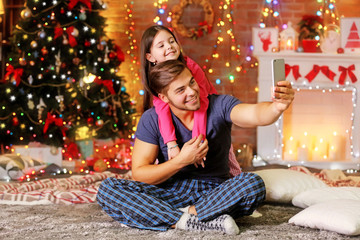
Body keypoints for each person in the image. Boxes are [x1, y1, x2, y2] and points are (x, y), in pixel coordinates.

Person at [97, 60, 295, 234]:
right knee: (108, 188)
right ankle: (194, 220)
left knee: (253, 184)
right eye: (180, 90)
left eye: (191, 82)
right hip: (169, 192)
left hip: (216, 193)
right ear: (164, 97)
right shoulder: (152, 119)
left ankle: (177, 217)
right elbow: (140, 174)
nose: (192, 92)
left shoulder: (220, 105)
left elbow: (255, 114)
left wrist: (276, 107)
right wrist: (182, 160)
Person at [140, 25, 241, 175]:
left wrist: (197, 142)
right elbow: (162, 109)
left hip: (205, 118)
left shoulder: (191, 67)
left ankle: (235, 182)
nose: (169, 47)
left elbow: (201, 104)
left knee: (227, 157)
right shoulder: (156, 79)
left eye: (171, 41)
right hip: (181, 125)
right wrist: (171, 143)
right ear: (150, 57)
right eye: (161, 45)